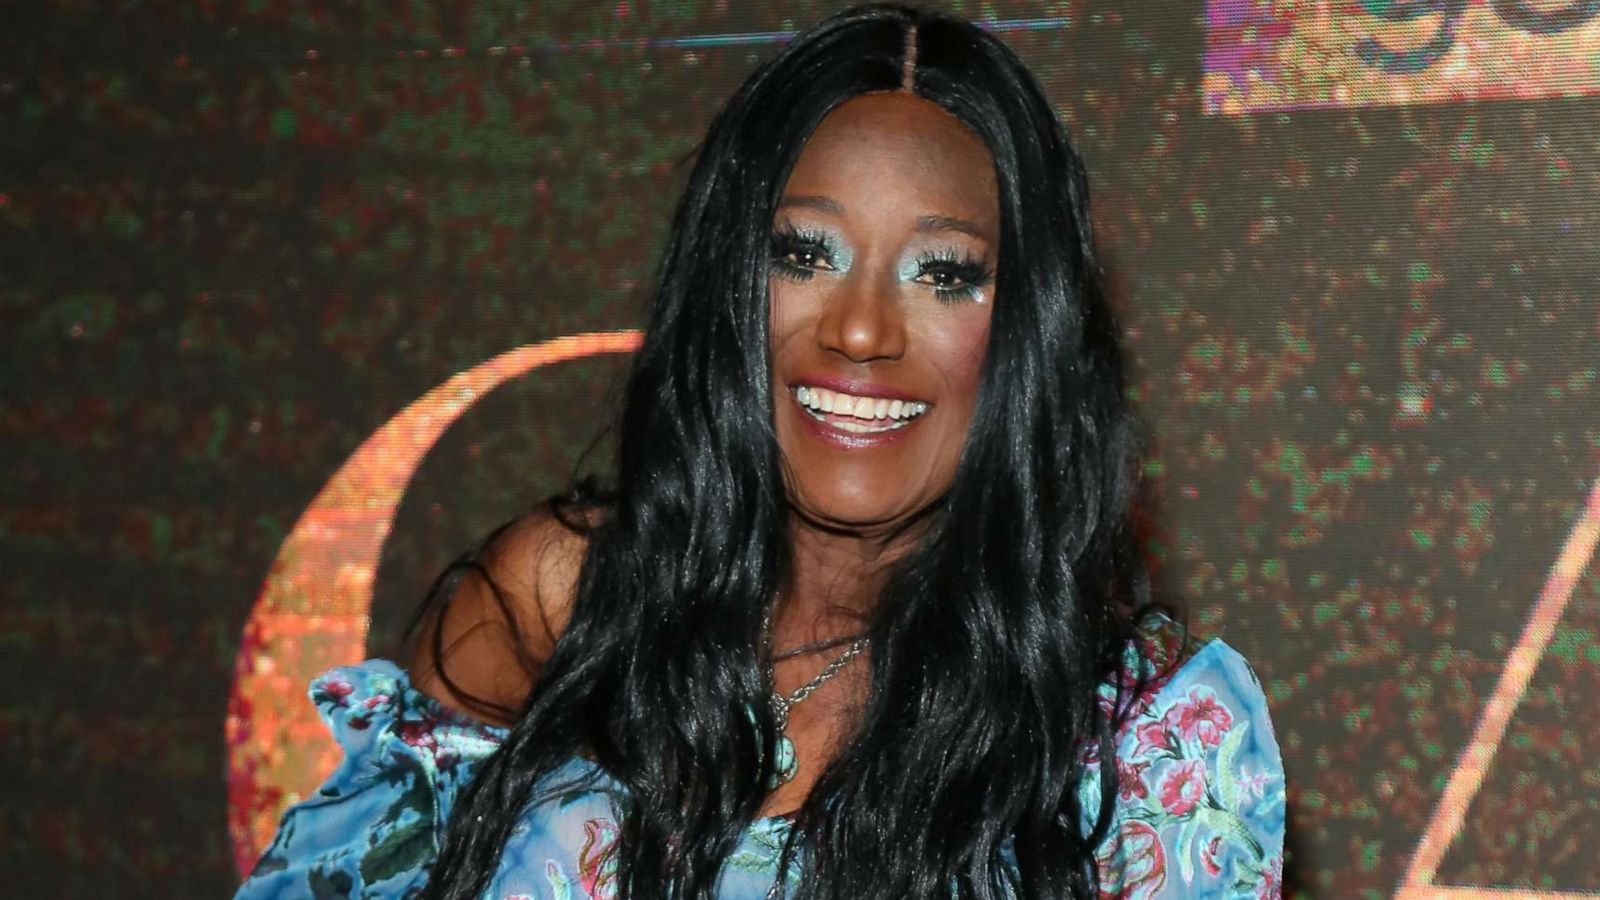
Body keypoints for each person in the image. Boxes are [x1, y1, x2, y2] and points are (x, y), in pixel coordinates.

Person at [235, 5, 1285, 899]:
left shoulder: (1149, 736)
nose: (861, 329)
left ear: (1030, 331)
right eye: (804, 253)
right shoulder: (562, 602)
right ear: (730, 282)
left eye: (944, 275)